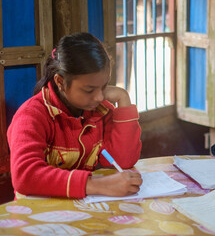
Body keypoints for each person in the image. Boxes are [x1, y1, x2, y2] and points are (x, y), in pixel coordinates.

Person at [7, 32, 143, 199]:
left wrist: (124, 98)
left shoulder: (98, 110)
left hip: (81, 211)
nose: (100, 97)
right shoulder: (32, 115)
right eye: (89, 90)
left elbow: (123, 161)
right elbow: (25, 177)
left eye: (104, 86)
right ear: (60, 82)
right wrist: (96, 185)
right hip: (37, 216)